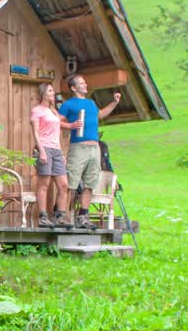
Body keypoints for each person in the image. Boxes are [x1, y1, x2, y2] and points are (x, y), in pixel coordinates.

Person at [59, 74, 122, 229]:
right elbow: (58, 121)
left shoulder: (91, 103)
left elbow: (100, 114)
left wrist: (114, 102)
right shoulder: (68, 104)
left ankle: (83, 217)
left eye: (85, 82)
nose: (85, 85)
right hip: (78, 147)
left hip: (95, 148)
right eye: (81, 83)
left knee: (90, 182)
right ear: (74, 88)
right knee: (71, 182)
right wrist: (71, 126)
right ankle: (63, 216)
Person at [30, 82, 77, 228]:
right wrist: (41, 150)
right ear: (44, 93)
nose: (53, 93)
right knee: (44, 184)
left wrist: (61, 152)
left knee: (63, 185)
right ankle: (43, 217)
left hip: (56, 150)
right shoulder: (37, 110)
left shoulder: (54, 112)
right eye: (50, 91)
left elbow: (57, 130)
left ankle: (59, 217)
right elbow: (36, 132)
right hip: (44, 148)